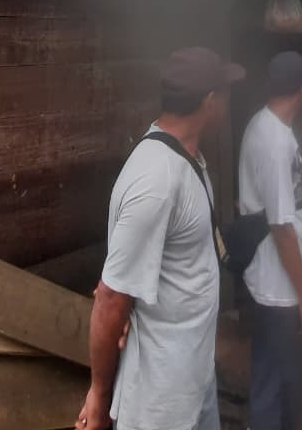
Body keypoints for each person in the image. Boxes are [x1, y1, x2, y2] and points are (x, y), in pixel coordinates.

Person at [77, 47, 245, 430]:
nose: (230, 103)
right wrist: (100, 397)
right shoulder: (156, 180)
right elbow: (110, 298)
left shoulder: (188, 160)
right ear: (210, 101)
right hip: (160, 401)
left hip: (193, 378)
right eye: (227, 93)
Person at [239, 51, 302, 430]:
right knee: (276, 378)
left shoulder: (265, 123)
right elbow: (282, 227)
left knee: (272, 368)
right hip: (278, 283)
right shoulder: (275, 141)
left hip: (271, 275)